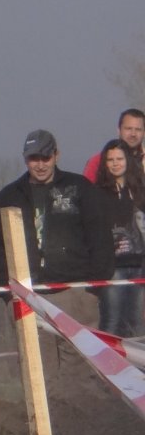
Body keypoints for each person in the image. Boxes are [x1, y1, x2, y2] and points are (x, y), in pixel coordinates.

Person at [0, 129, 113, 328]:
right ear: (25, 158)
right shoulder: (8, 196)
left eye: (45, 158)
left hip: (75, 295)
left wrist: (92, 291)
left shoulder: (80, 187)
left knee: (79, 350)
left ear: (56, 155)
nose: (40, 165)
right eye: (34, 159)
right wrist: (8, 294)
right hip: (27, 297)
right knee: (36, 351)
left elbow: (101, 239)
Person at [93, 138, 145, 338]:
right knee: (111, 321)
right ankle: (107, 358)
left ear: (127, 161)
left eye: (119, 159)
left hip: (139, 265)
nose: (115, 163)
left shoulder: (140, 190)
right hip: (112, 268)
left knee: (136, 322)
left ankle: (137, 359)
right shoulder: (98, 193)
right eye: (111, 159)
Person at [83, 109, 145, 183]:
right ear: (119, 131)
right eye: (128, 128)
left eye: (138, 129)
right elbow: (85, 188)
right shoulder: (98, 161)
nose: (133, 134)